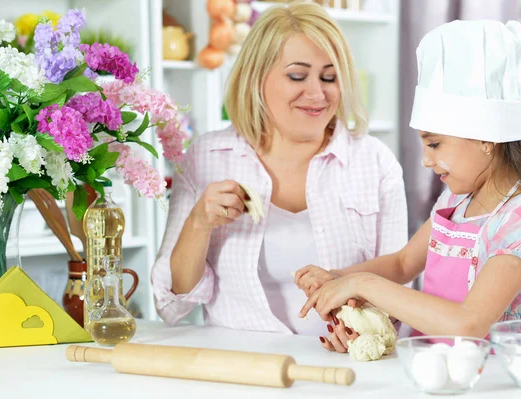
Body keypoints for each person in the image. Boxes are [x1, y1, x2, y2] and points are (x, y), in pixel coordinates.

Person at [296, 20, 521, 350]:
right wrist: (338, 279)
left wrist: (362, 283)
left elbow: (469, 323)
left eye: (434, 145)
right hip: (427, 369)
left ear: (486, 138)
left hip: (487, 380)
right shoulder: (456, 202)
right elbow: (403, 264)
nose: (426, 161)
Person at [151, 2, 408, 336]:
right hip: (245, 368)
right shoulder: (207, 157)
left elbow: (397, 291)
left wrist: (363, 329)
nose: (317, 93)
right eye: (297, 76)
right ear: (257, 78)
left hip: (343, 370)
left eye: (329, 77)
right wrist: (199, 223)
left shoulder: (375, 163)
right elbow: (173, 305)